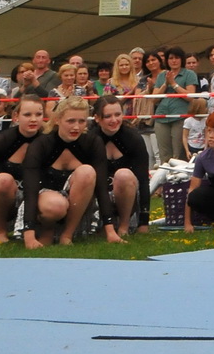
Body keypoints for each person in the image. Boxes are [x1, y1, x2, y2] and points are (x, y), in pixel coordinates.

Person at [20, 97, 121, 247]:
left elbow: (101, 186)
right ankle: (47, 231)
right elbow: (30, 188)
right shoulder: (41, 144)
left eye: (81, 121)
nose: (76, 127)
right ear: (57, 120)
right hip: (46, 204)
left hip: (79, 205)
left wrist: (110, 230)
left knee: (87, 171)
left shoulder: (93, 142)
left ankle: (67, 235)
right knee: (55, 205)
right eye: (71, 121)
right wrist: (29, 235)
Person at [89, 94, 150, 235]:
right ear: (97, 118)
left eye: (118, 115)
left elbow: (143, 180)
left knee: (123, 175)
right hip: (99, 195)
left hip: (128, 194)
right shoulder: (90, 139)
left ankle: (124, 226)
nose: (114, 120)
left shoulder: (133, 138)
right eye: (108, 116)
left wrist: (144, 222)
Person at [0, 94, 48, 244]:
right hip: (6, 199)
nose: (33, 119)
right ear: (15, 116)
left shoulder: (48, 140)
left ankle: (47, 231)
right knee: (2, 180)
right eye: (27, 115)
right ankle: (0, 231)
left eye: (38, 114)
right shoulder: (3, 140)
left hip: (39, 195)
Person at [149, 47, 198, 163]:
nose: (174, 61)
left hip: (180, 117)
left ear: (182, 59)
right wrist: (165, 84)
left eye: (177, 58)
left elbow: (190, 96)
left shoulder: (189, 74)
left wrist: (174, 84)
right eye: (171, 58)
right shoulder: (162, 75)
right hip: (161, 117)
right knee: (164, 154)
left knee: (178, 153)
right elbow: (154, 99)